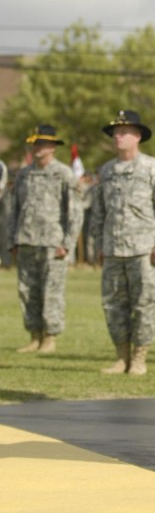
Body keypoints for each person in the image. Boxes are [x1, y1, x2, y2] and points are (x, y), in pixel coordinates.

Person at [90, 110, 155, 376]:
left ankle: (139, 358)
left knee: (144, 304)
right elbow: (99, 212)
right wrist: (99, 244)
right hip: (113, 249)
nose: (118, 136)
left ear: (137, 136)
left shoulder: (153, 169)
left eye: (124, 132)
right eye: (116, 132)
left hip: (144, 250)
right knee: (113, 305)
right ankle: (121, 357)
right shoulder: (107, 171)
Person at [8, 125, 82, 354]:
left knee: (51, 292)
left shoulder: (63, 174)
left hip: (53, 242)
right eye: (35, 143)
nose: (37, 147)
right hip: (27, 240)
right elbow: (14, 210)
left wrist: (67, 243)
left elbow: (74, 212)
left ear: (52, 147)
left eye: (42, 143)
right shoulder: (24, 174)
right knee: (28, 291)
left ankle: (50, 338)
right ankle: (34, 336)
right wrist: (12, 240)